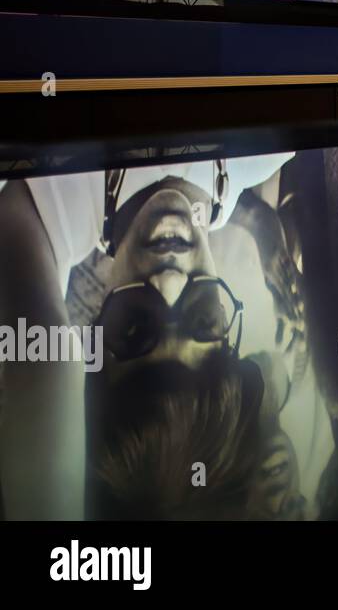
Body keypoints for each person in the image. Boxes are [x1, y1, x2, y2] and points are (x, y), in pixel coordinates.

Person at [0, 151, 293, 519]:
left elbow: (42, 368)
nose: (170, 282)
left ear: (94, 335)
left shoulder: (47, 208)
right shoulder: (264, 153)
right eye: (202, 322)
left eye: (135, 328)